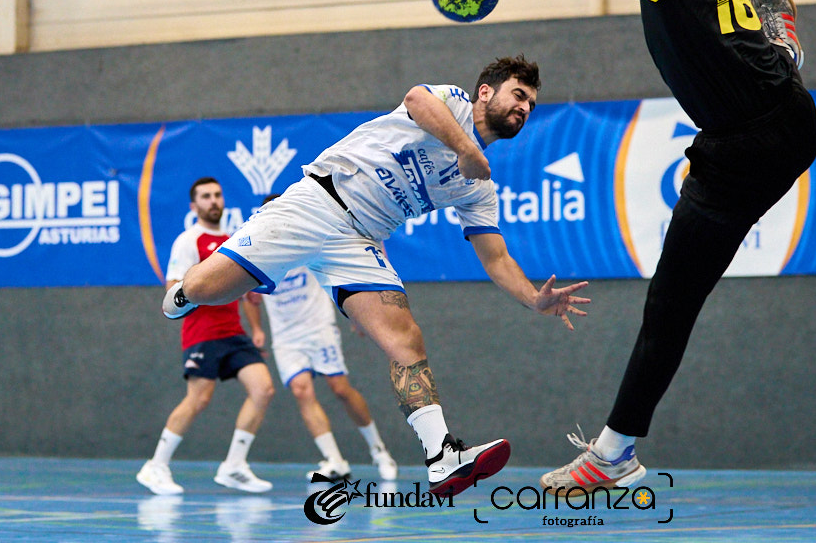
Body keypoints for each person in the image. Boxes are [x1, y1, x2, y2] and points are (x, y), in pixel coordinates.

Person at [477, 0, 816, 493]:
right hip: (787, 129)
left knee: (668, 308)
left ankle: (612, 455)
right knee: (673, 303)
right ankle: (781, 57)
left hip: (743, 149)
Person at [162, 56, 591, 497]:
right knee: (201, 289)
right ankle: (182, 295)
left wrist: (533, 299)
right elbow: (416, 98)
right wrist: (466, 149)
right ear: (486, 92)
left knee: (407, 339)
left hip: (360, 242)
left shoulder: (477, 186)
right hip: (319, 201)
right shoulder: (452, 102)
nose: (525, 107)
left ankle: (441, 456)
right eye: (519, 95)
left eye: (532, 105)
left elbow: (496, 258)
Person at [137, 177, 277, 496]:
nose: (213, 201)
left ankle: (234, 466)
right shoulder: (189, 240)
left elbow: (245, 292)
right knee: (199, 398)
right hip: (202, 332)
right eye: (205, 196)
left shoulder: (232, 240)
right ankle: (156, 465)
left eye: (217, 194)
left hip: (234, 331)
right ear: (194, 205)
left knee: (263, 389)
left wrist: (255, 326)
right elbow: (174, 287)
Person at [256, 194, 398, 484]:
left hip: (318, 327)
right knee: (301, 390)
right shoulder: (259, 252)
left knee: (340, 389)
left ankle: (379, 450)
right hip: (285, 337)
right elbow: (249, 296)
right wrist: (257, 328)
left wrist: (359, 316)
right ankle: (335, 460)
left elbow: (345, 271)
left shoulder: (310, 239)